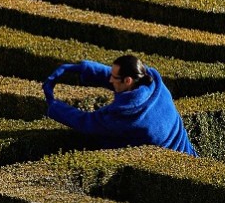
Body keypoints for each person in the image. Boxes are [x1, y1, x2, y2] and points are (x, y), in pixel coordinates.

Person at [42, 54, 198, 157]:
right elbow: (111, 78)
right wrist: (81, 68)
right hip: (191, 155)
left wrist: (53, 105)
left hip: (169, 168)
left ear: (128, 80)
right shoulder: (154, 85)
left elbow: (86, 122)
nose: (110, 80)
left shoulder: (127, 116)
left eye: (114, 77)